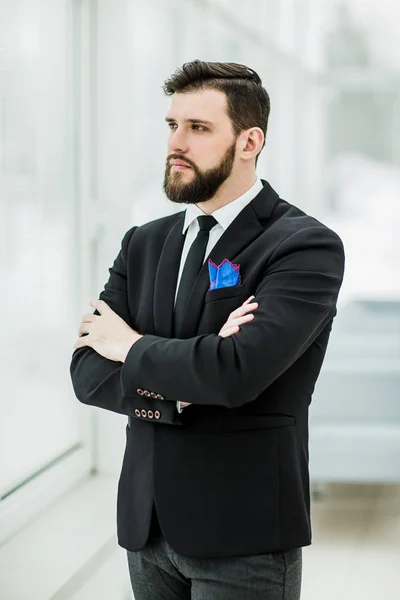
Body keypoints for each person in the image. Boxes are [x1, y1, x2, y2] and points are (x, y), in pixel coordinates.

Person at [70, 60, 345, 600]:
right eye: (172, 126)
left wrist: (130, 347)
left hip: (243, 533)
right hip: (146, 528)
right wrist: (185, 386)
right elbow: (86, 371)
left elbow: (236, 375)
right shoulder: (143, 243)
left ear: (248, 141)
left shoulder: (303, 246)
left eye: (198, 129)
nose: (177, 143)